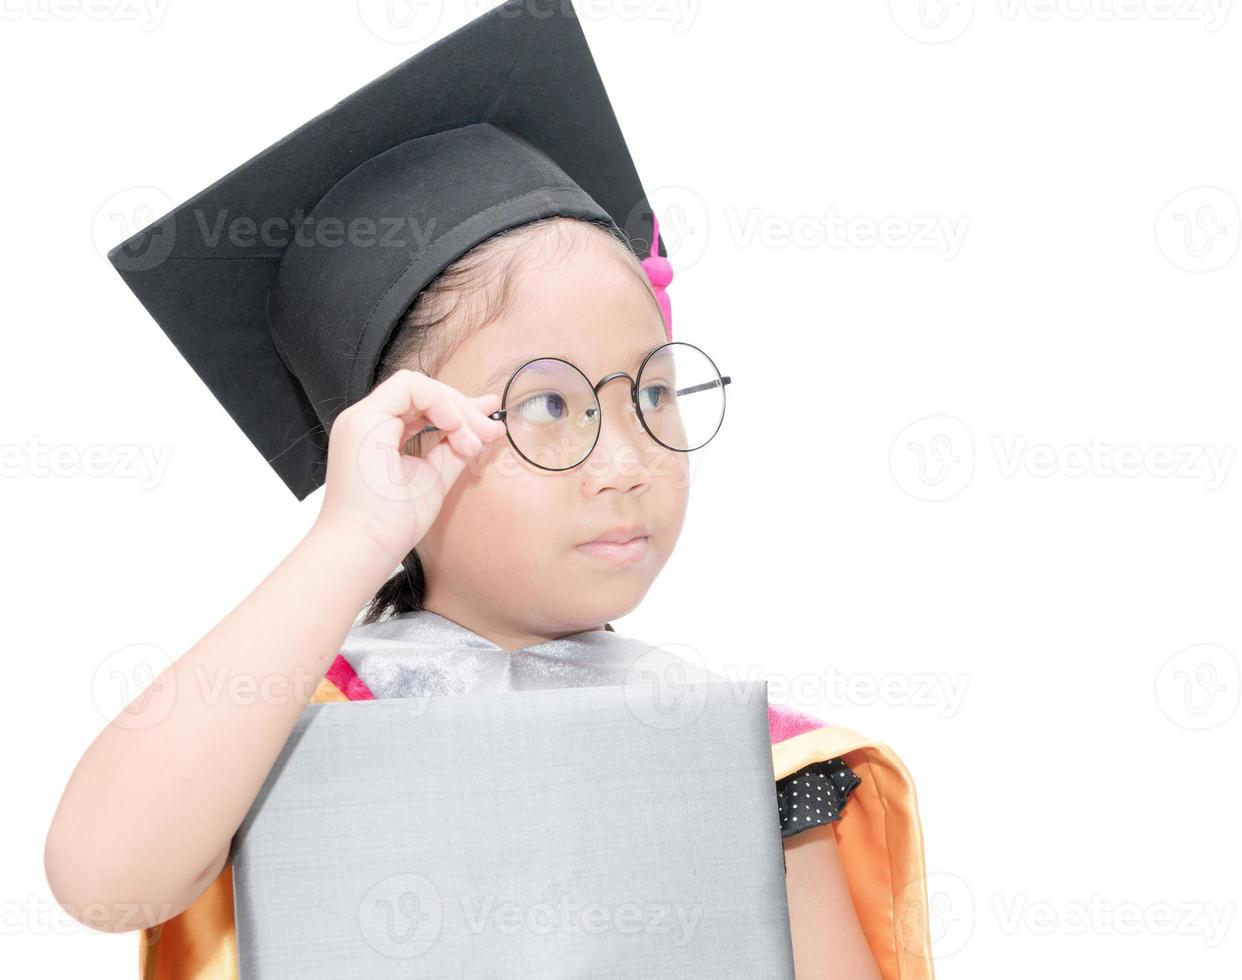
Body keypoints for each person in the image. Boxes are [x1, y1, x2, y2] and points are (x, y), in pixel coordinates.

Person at [42, 3, 934, 978]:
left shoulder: (755, 769)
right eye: (547, 402)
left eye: (651, 392)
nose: (626, 456)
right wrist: (350, 538)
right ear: (405, 436)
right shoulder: (282, 728)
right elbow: (104, 876)